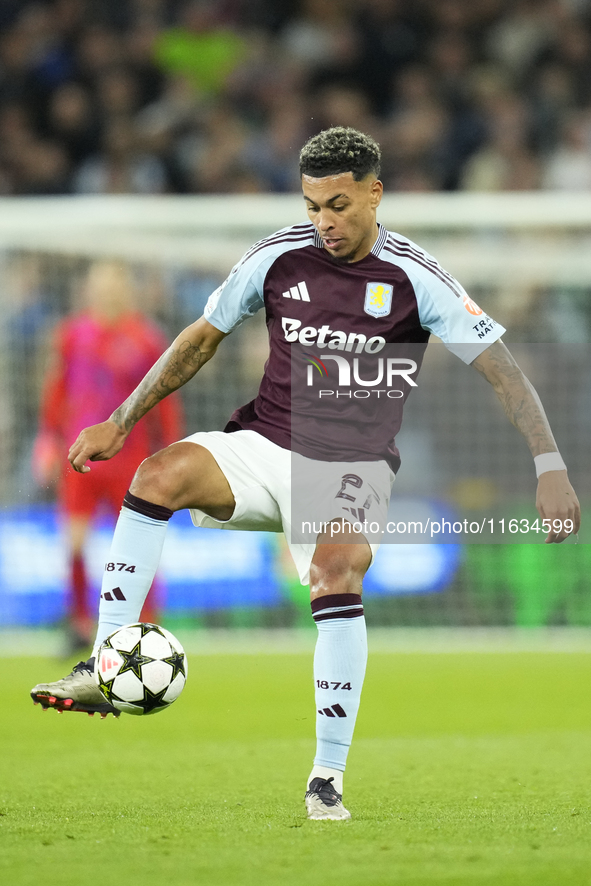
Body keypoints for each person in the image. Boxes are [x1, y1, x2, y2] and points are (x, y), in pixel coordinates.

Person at [30, 128, 580, 821]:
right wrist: (120, 416)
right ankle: (105, 667)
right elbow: (201, 337)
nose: (325, 221)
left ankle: (326, 776)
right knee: (157, 474)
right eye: (314, 204)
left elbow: (502, 372)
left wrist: (549, 462)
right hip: (264, 444)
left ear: (375, 194)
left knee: (335, 567)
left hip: (349, 466)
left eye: (340, 205)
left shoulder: (416, 276)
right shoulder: (277, 256)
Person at [33, 261, 184, 652]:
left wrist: (169, 449)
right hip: (80, 457)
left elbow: (164, 401)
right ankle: (80, 625)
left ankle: (147, 626)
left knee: (138, 548)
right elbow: (58, 389)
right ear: (88, 289)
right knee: (75, 543)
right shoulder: (72, 334)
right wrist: (48, 438)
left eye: (114, 284)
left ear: (126, 290)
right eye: (99, 285)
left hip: (130, 462)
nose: (106, 292)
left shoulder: (146, 338)